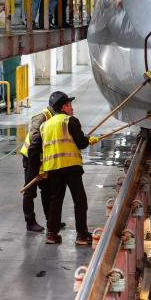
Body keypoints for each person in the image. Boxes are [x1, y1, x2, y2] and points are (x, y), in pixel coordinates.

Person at [39, 90, 99, 246]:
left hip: (53, 168)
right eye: (70, 104)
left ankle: (52, 234)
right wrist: (89, 140)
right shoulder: (70, 121)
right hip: (70, 166)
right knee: (80, 200)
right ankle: (81, 235)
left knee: (55, 201)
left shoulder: (45, 126)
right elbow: (81, 143)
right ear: (63, 106)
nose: (72, 107)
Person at [19, 105, 54, 233]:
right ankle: (30, 222)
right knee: (30, 191)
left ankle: (51, 220)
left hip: (42, 160)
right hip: (31, 159)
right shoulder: (42, 117)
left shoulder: (55, 117)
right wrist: (35, 168)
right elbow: (34, 142)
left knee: (47, 190)